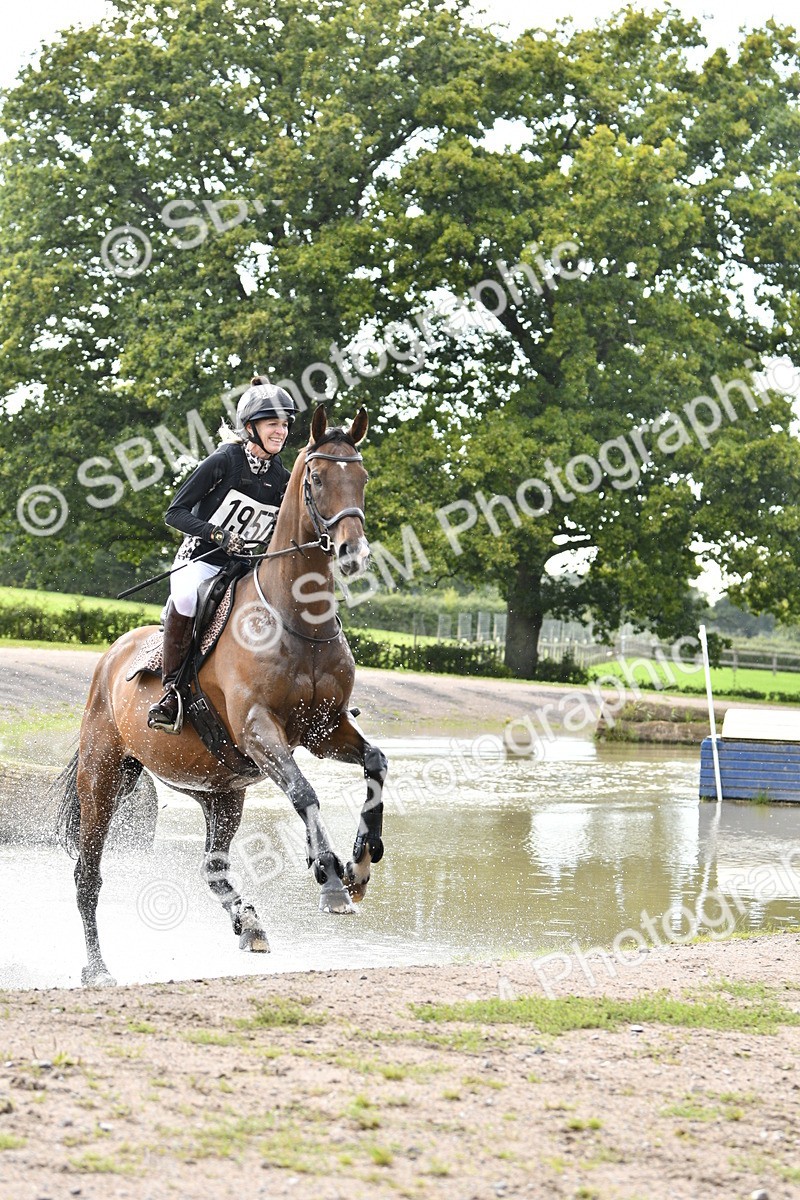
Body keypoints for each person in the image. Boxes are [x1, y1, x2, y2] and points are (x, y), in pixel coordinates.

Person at [147, 377, 296, 732]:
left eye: (285, 424)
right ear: (250, 428)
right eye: (273, 423)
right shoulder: (224, 461)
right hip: (200, 560)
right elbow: (175, 512)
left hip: (243, 570)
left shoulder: (282, 478)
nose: (281, 431)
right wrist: (216, 533)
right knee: (184, 599)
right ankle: (171, 692)